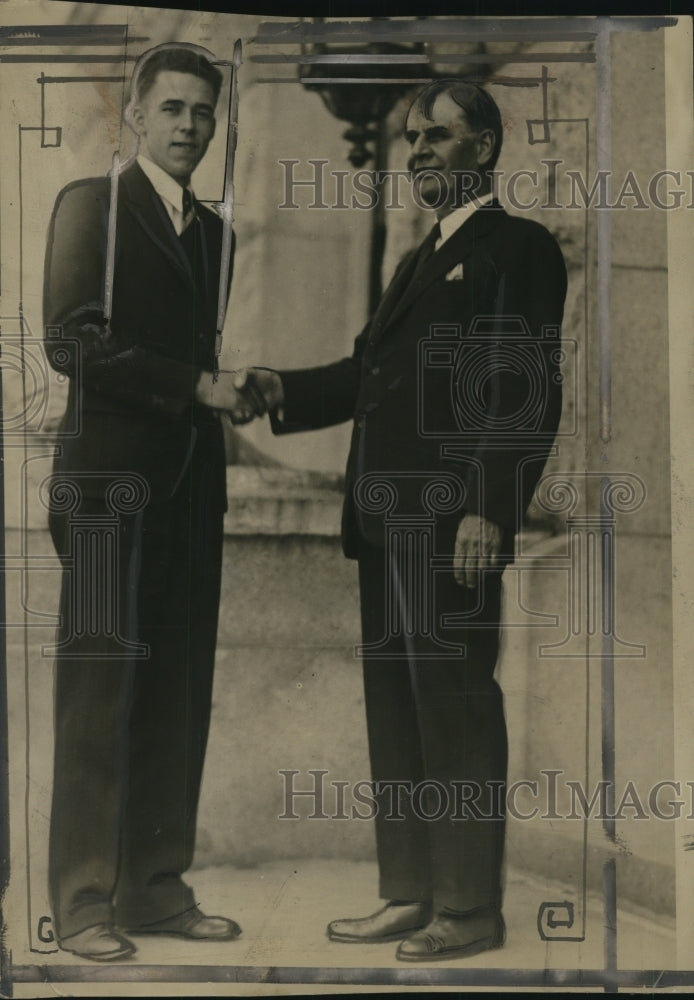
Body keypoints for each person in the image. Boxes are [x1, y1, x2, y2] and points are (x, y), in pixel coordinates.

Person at [242, 79, 567, 962]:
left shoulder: (517, 249)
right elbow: (365, 372)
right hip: (387, 526)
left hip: (452, 525)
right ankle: (411, 892)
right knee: (399, 711)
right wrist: (282, 390)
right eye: (413, 137)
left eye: (438, 135)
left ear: (486, 148)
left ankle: (468, 910)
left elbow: (525, 392)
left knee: (457, 709)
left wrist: (489, 508)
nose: (419, 150)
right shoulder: (419, 258)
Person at [43, 44, 255, 962]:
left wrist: (229, 401)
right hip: (102, 494)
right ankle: (85, 900)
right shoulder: (90, 206)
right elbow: (69, 341)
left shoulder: (218, 236)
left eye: (203, 114)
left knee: (176, 693)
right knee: (98, 695)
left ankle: (156, 894)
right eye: (171, 109)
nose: (187, 127)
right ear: (135, 117)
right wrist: (198, 387)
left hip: (187, 495)